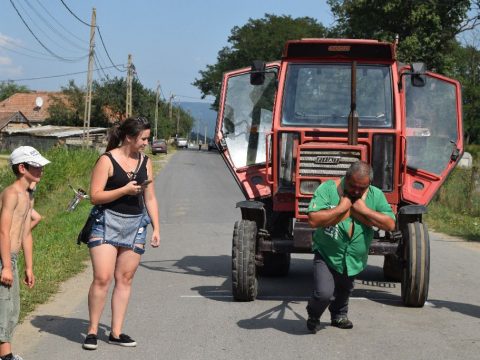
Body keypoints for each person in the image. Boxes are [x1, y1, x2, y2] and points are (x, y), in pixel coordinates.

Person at [83, 117, 160, 350]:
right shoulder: (106, 160)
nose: (146, 143)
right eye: (143, 138)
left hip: (135, 225)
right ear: (129, 137)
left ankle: (116, 332)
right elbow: (95, 196)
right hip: (106, 223)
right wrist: (124, 190)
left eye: (148, 139)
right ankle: (93, 331)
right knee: (102, 278)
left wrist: (156, 226)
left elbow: (150, 197)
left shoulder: (145, 162)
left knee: (125, 279)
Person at [305, 161, 395, 333]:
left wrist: (365, 210)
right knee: (324, 293)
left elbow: (390, 224)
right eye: (352, 186)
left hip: (353, 257)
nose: (355, 191)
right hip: (327, 253)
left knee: (345, 288)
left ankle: (339, 315)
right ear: (346, 178)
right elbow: (313, 220)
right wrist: (342, 207)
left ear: (369, 184)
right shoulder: (328, 189)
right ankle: (314, 313)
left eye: (361, 188)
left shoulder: (375, 195)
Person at [0, 146, 50, 360]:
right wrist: (7, 267)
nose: (41, 170)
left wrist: (29, 266)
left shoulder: (29, 195)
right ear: (22, 168)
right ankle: (5, 356)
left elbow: (25, 233)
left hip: (12, 258)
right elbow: (3, 231)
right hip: (3, 259)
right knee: (4, 307)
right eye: (36, 166)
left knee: (13, 308)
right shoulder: (11, 193)